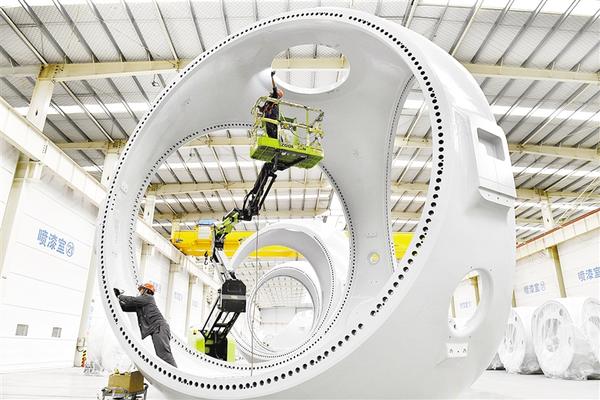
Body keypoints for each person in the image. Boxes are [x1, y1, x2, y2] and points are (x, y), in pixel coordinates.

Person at [113, 282, 177, 367]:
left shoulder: (149, 298)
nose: (140, 291)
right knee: (161, 355)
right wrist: (116, 299)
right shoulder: (141, 305)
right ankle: (170, 372)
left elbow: (133, 300)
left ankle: (174, 373)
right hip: (157, 329)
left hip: (160, 328)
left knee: (164, 355)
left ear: (146, 290)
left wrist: (119, 296)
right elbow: (124, 307)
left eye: (141, 289)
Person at [261, 70, 284, 139]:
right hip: (269, 117)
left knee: (274, 133)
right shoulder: (270, 99)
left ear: (278, 95)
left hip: (272, 117)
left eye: (278, 91)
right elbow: (263, 109)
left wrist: (272, 77)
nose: (277, 91)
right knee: (270, 133)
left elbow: (274, 87)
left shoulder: (275, 97)